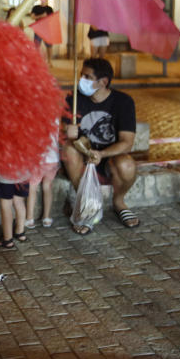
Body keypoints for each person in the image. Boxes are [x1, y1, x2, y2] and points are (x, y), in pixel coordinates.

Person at [61, 58, 139, 235]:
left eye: (87, 77)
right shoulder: (74, 99)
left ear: (103, 82)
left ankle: (118, 202)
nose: (82, 80)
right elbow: (64, 135)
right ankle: (86, 206)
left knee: (127, 165)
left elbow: (127, 142)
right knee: (69, 150)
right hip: (82, 158)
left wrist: (102, 154)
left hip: (108, 158)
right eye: (81, 75)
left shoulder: (123, 102)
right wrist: (68, 132)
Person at [24, 129, 60, 229]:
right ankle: (47, 218)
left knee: (32, 187)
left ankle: (30, 219)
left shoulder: (35, 117)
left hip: (38, 159)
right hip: (53, 159)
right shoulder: (55, 118)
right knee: (47, 186)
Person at [0, 175, 29, 249]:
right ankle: (20, 233)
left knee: (6, 205)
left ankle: (7, 240)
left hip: (5, 176)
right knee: (19, 202)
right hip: (23, 173)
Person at [30, 0, 54, 65]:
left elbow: (52, 19)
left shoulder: (50, 9)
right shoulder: (36, 8)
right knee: (36, 45)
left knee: (49, 46)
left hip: (47, 29)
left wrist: (47, 18)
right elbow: (32, 17)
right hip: (38, 29)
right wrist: (41, 16)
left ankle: (49, 61)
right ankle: (36, 61)